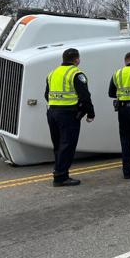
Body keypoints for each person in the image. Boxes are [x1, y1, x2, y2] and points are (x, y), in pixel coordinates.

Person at [45, 48, 95, 187]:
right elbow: (85, 96)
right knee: (67, 145)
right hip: (67, 115)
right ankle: (61, 177)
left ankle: (59, 172)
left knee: (58, 144)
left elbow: (46, 94)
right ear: (77, 59)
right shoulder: (76, 73)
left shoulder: (52, 73)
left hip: (52, 112)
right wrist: (90, 113)